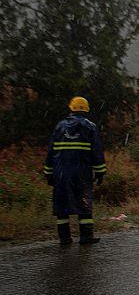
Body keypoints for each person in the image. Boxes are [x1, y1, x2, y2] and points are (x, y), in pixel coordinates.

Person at [43, 96, 107, 245]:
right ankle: (86, 237)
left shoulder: (60, 126)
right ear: (86, 109)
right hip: (82, 173)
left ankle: (64, 239)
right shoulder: (90, 126)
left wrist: (48, 172)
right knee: (84, 204)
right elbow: (96, 152)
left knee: (61, 206)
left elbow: (51, 151)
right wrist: (100, 171)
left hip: (61, 173)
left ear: (71, 108)